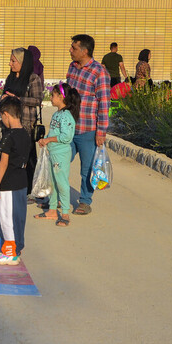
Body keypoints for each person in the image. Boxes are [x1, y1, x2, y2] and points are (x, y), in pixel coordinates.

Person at [66, 34, 110, 215]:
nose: (70, 50)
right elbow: (66, 93)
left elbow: (104, 103)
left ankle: (84, 201)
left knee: (87, 169)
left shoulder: (99, 72)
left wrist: (101, 132)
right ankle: (53, 197)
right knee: (59, 162)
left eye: (73, 48)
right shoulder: (72, 67)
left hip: (87, 130)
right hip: (68, 128)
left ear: (84, 51)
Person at [0, 96, 31, 266]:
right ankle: (16, 248)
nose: (2, 120)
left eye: (1, 116)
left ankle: (9, 252)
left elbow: (3, 163)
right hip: (22, 182)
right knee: (18, 217)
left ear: (6, 114)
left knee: (6, 218)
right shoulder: (26, 134)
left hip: (9, 185)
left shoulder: (8, 136)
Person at [33, 83, 81, 227]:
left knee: (61, 182)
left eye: (53, 95)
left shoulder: (66, 116)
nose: (51, 97)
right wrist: (45, 140)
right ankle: (52, 210)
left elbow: (66, 137)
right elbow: (54, 132)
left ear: (61, 97)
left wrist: (49, 139)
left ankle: (65, 213)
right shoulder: (57, 114)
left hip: (61, 154)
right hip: (52, 152)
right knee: (52, 182)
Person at [1, 47, 44, 196]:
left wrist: (19, 99)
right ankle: (10, 184)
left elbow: (38, 100)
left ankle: (29, 189)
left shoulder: (33, 79)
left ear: (22, 62)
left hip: (26, 125)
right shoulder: (11, 78)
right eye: (11, 60)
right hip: (8, 124)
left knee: (28, 158)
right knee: (8, 156)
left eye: (13, 61)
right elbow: (5, 93)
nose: (10, 64)